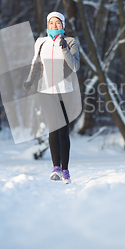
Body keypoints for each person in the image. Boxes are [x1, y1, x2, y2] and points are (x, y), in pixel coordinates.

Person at [23, 12, 80, 184]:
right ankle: (55, 168)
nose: (54, 26)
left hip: (66, 92)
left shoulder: (70, 42)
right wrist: (29, 81)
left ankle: (65, 170)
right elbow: (36, 63)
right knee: (53, 128)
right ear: (47, 24)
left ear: (63, 25)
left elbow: (75, 66)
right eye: (51, 23)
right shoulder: (41, 42)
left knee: (63, 131)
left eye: (58, 23)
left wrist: (63, 48)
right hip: (46, 91)